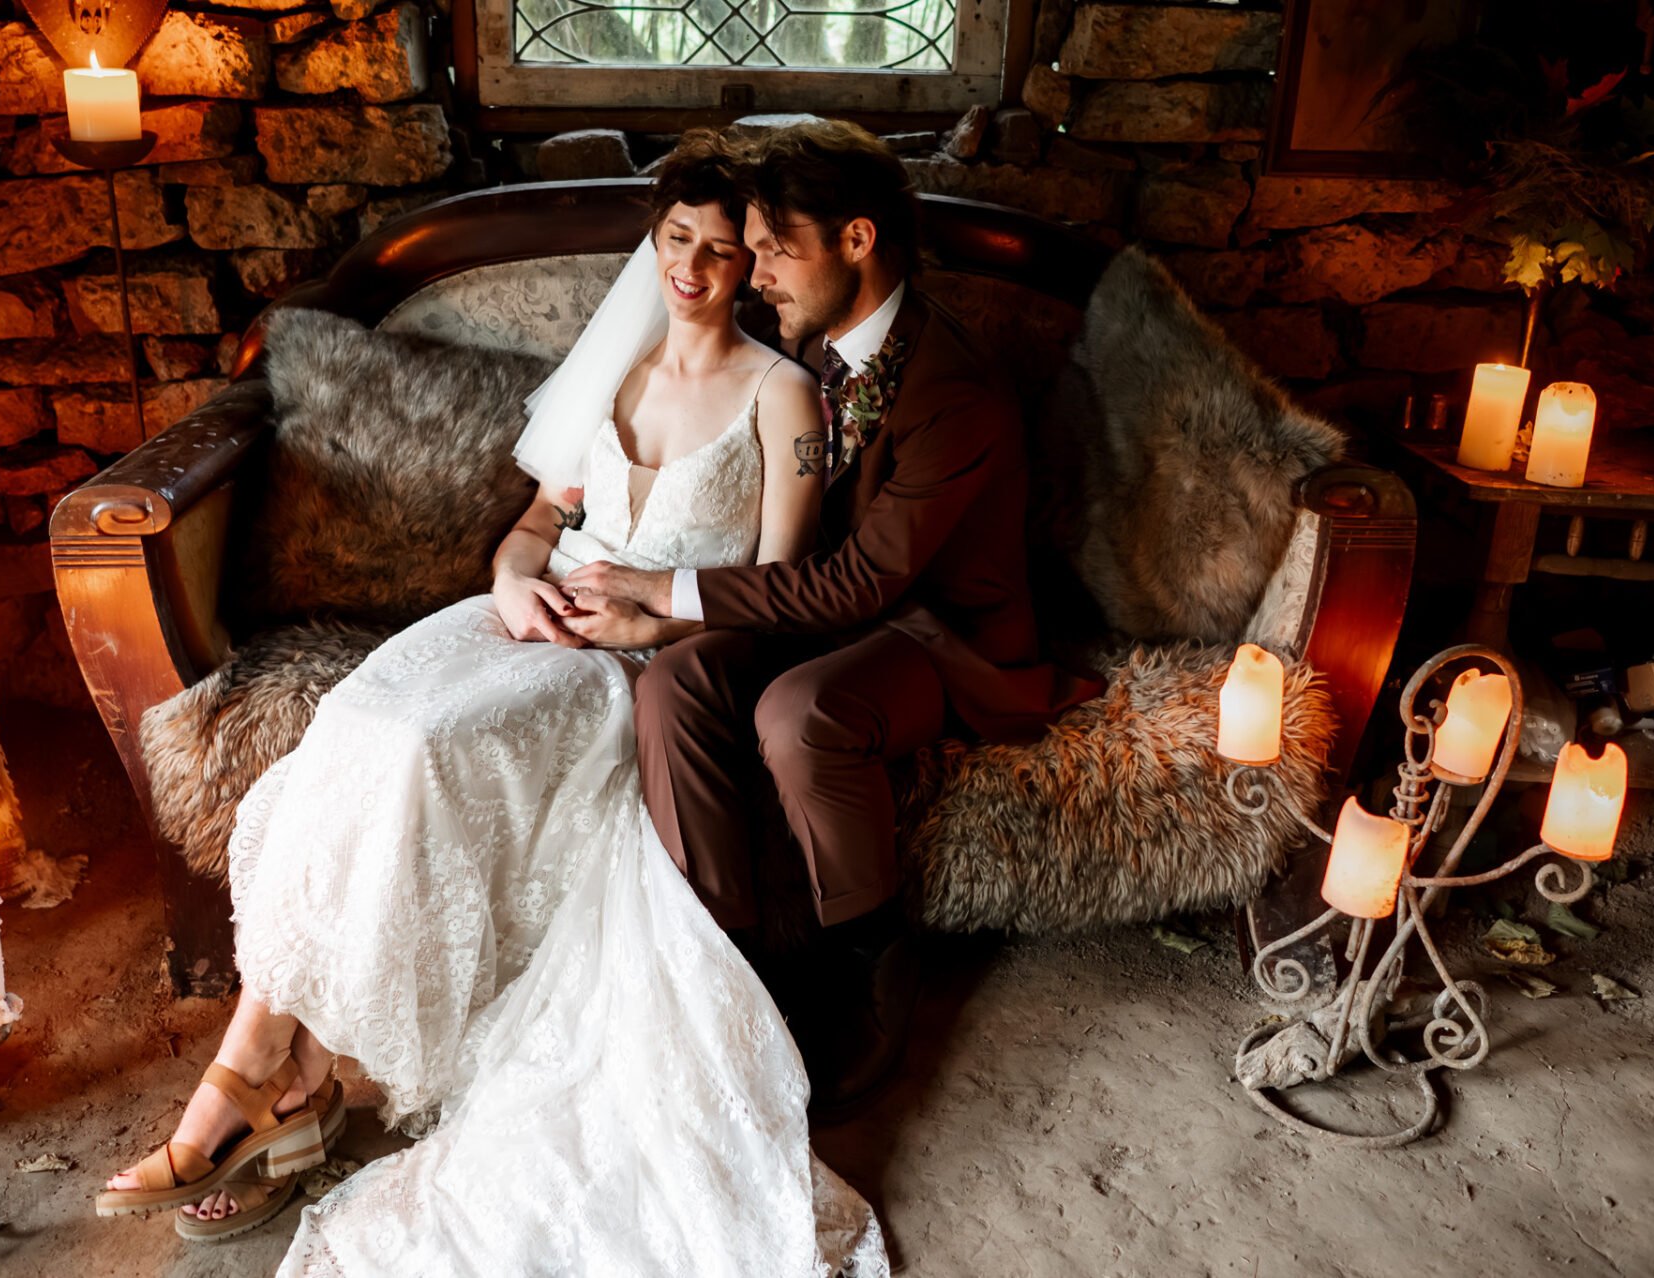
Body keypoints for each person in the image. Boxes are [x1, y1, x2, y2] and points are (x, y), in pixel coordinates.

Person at [96, 132, 889, 1275]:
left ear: (752, 265)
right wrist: (516, 583)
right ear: (653, 243)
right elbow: (532, 528)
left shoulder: (786, 401)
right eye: (677, 241)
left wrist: (649, 626)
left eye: (724, 252)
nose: (695, 270)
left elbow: (776, 592)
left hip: (629, 661)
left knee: (423, 743)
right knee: (358, 725)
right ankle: (278, 1059)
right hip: (525, 618)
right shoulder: (612, 371)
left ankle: (255, 1082)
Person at [563, 120, 1102, 1114]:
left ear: (857, 240)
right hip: (824, 609)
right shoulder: (802, 335)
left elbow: (861, 585)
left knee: (797, 715)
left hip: (937, 635)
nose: (752, 273)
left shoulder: (955, 393)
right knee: (681, 680)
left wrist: (662, 591)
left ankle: (871, 963)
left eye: (774, 250)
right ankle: (720, 960)